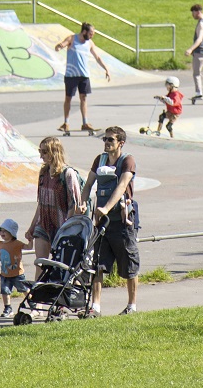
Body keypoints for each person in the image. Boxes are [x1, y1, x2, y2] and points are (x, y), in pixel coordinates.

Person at [81, 126, 139, 315]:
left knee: (129, 264)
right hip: (102, 222)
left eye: (110, 140)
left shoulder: (127, 161)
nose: (106, 143)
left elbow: (122, 185)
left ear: (120, 143)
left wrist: (106, 208)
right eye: (105, 139)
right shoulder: (100, 160)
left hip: (121, 221)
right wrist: (82, 202)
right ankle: (95, 306)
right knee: (98, 263)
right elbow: (88, 183)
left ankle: (132, 305)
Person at [54, 22, 111, 133]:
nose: (91, 36)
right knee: (68, 98)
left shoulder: (89, 43)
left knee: (83, 98)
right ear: (84, 31)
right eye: (90, 33)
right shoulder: (72, 39)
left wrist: (106, 68)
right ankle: (66, 123)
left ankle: (85, 123)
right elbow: (63, 44)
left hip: (84, 75)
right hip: (71, 75)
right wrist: (59, 46)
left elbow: (97, 57)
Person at [0, 218, 30, 317]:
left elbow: (28, 247)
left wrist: (30, 240)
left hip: (17, 274)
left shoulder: (17, 243)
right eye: (1, 231)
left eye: (5, 231)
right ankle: (8, 308)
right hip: (5, 274)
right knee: (5, 291)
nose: (2, 233)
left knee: (24, 289)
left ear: (11, 232)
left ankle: (32, 302)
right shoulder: (0, 244)